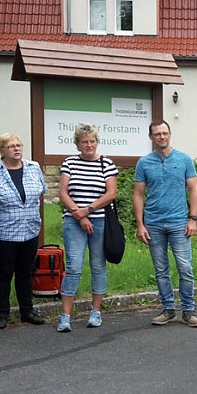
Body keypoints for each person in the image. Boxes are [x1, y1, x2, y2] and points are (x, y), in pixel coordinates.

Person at [133, 120, 197, 328]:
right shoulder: (144, 163)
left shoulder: (184, 159)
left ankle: (188, 311)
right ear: (151, 137)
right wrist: (140, 224)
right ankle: (168, 309)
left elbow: (193, 190)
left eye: (165, 133)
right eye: (157, 134)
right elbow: (138, 194)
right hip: (153, 223)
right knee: (161, 269)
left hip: (179, 223)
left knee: (185, 268)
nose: (161, 137)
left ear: (170, 134)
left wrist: (193, 218)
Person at [57, 124, 118, 332]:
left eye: (92, 141)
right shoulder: (69, 163)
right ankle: (65, 315)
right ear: (78, 144)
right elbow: (63, 193)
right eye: (84, 142)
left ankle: (96, 311)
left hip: (100, 221)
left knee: (98, 265)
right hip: (73, 221)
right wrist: (79, 214)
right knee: (74, 266)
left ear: (96, 142)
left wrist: (88, 210)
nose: (89, 145)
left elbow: (111, 193)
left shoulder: (106, 163)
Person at [0, 133, 47, 329]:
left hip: (30, 228)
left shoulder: (33, 167)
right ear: (2, 150)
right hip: (4, 230)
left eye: (19, 145)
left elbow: (41, 193)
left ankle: (27, 310)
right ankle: (1, 313)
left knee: (26, 271)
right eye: (11, 146)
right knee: (4, 271)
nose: (17, 148)